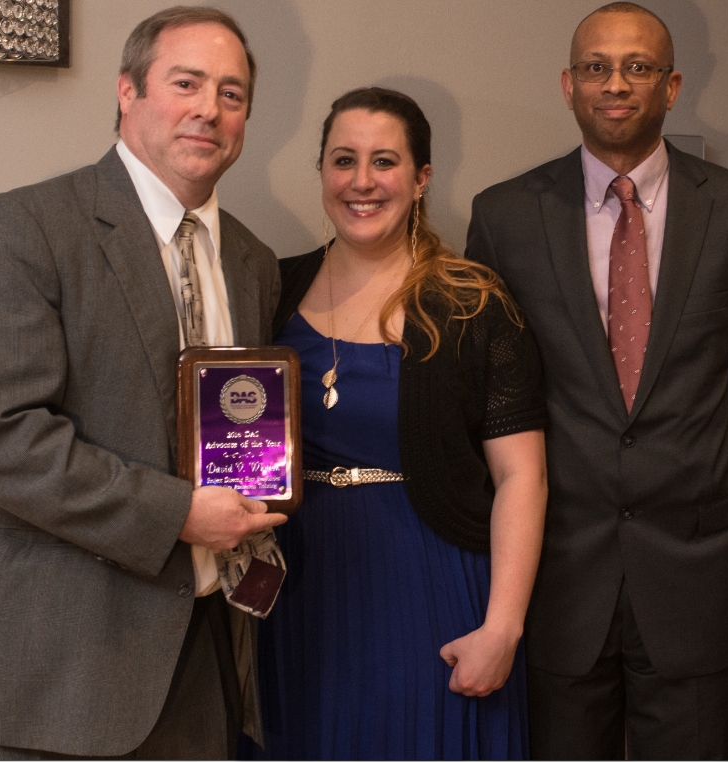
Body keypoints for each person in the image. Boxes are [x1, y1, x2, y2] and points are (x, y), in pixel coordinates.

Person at [0, 7, 285, 759]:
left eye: (232, 94)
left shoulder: (253, 262)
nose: (209, 110)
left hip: (201, 669)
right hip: (51, 675)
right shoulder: (24, 227)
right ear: (128, 91)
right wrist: (180, 513)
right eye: (186, 83)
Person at [465, 2, 728, 759]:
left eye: (638, 67)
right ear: (568, 86)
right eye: (596, 68)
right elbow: (488, 406)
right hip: (558, 578)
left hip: (700, 581)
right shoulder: (506, 216)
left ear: (671, 87)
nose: (616, 84)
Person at [242, 87, 548, 760]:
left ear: (421, 177)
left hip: (429, 585)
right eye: (343, 160)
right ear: (322, 170)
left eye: (384, 161)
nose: (361, 181)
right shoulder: (272, 289)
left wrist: (502, 628)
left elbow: (521, 475)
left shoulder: (472, 304)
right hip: (298, 593)